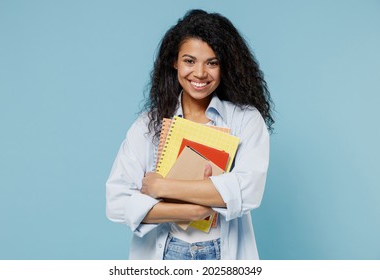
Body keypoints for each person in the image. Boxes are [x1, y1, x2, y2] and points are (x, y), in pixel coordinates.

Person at [106, 9, 274, 260]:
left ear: (224, 65)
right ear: (174, 61)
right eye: (189, 60)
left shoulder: (245, 119)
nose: (200, 73)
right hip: (165, 253)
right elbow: (117, 203)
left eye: (212, 62)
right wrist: (190, 211)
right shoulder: (148, 125)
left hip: (222, 253)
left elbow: (247, 192)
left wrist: (161, 186)